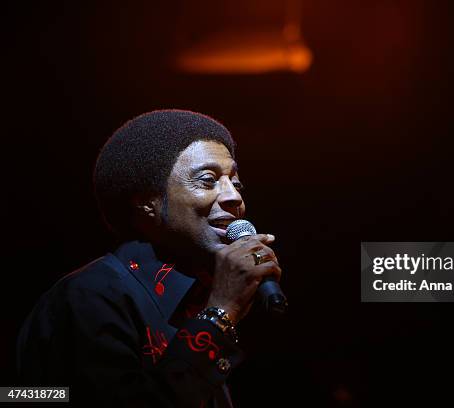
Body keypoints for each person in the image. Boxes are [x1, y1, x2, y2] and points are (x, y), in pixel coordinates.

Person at [16, 109, 282, 407]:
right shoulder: (90, 295)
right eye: (208, 180)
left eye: (236, 182)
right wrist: (221, 311)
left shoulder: (193, 301)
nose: (234, 196)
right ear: (146, 202)